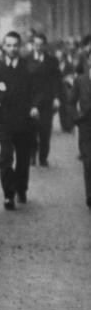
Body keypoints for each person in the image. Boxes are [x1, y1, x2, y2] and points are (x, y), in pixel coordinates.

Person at [0, 32, 39, 209]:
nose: (12, 49)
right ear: (4, 46)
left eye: (15, 45)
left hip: (24, 121)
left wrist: (35, 106)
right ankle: (8, 194)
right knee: (5, 158)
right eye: (9, 45)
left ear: (19, 47)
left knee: (22, 160)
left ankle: (21, 188)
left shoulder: (28, 68)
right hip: (4, 121)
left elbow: (36, 91)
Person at [26, 33, 62, 167]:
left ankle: (43, 157)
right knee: (31, 130)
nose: (38, 47)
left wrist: (57, 97)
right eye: (36, 44)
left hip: (47, 101)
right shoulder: (26, 60)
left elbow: (57, 80)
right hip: (31, 101)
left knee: (45, 131)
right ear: (33, 45)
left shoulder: (52, 61)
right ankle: (32, 155)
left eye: (41, 45)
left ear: (45, 45)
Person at [67, 52, 91, 209]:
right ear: (88, 60)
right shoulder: (80, 80)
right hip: (87, 126)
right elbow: (70, 102)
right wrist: (77, 119)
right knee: (89, 162)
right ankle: (90, 195)